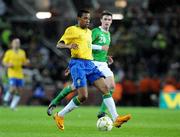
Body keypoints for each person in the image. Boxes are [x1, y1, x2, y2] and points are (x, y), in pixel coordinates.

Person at [52, 9, 131, 131]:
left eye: (89, 18)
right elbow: (59, 44)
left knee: (106, 88)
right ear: (79, 19)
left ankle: (116, 118)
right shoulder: (72, 30)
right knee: (83, 96)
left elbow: (87, 49)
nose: (87, 20)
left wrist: (105, 57)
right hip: (78, 64)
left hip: (90, 63)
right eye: (85, 18)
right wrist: (69, 47)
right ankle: (60, 115)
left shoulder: (89, 32)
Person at [2, 37, 30, 110]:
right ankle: (5, 100)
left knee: (19, 90)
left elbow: (24, 62)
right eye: (15, 42)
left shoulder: (22, 52)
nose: (17, 44)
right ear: (12, 44)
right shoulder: (9, 52)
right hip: (12, 73)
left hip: (19, 73)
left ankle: (12, 106)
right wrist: (8, 65)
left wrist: (27, 62)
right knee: (13, 88)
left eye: (18, 43)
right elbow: (4, 62)